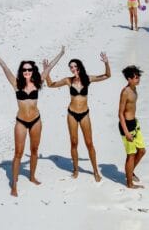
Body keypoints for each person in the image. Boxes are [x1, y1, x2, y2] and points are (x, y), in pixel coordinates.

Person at [42, 46, 112, 181]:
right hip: (72, 114)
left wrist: (106, 63)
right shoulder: (68, 80)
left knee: (89, 143)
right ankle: (75, 170)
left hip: (85, 114)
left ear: (79, 67)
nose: (73, 69)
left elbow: (107, 75)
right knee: (74, 143)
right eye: (71, 68)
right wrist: (46, 71)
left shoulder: (88, 79)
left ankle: (95, 171)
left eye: (74, 67)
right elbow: (50, 84)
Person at [0, 40, 45, 196]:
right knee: (18, 153)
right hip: (21, 121)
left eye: (29, 69)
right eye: (24, 69)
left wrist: (60, 54)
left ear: (33, 71)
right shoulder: (16, 83)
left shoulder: (37, 82)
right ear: (22, 71)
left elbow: (50, 67)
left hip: (36, 121)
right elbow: (5, 67)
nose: (27, 71)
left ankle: (32, 177)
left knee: (34, 150)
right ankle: (14, 185)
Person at [118, 65, 145, 189]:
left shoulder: (134, 89)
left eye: (138, 76)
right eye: (135, 77)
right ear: (129, 79)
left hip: (134, 123)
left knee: (142, 150)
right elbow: (120, 113)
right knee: (131, 155)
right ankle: (129, 183)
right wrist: (126, 132)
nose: (138, 79)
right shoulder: (125, 92)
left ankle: (130, 171)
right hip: (127, 126)